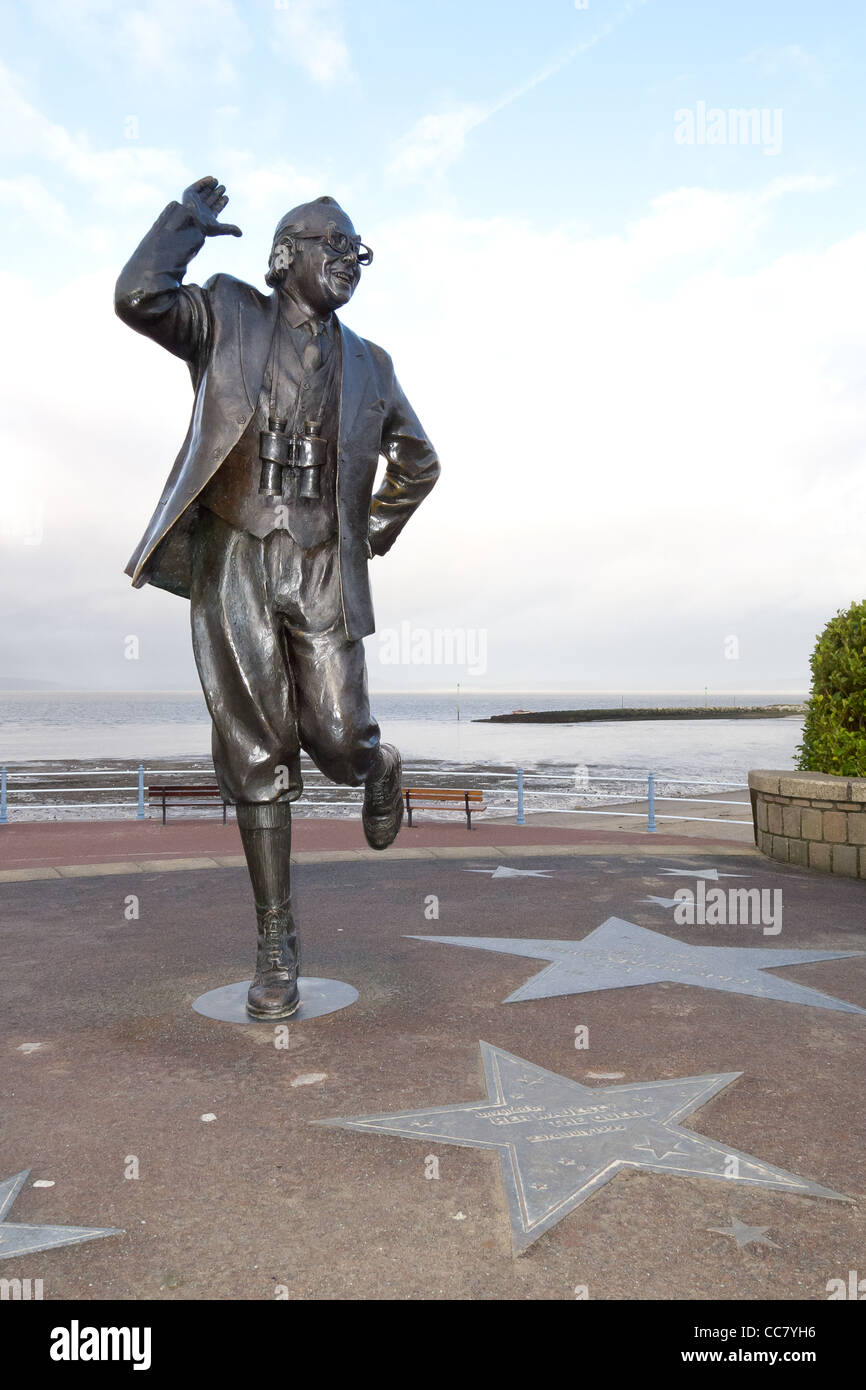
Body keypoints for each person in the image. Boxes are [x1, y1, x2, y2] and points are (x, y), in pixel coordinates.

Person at [116, 175, 440, 1019]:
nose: (351, 263)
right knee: (256, 754)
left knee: (335, 738)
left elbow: (420, 460)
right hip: (236, 555)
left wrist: (373, 529)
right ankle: (276, 941)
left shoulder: (372, 363)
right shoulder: (227, 313)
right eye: (336, 248)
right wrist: (185, 226)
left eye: (358, 253)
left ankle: (379, 765)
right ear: (285, 255)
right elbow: (137, 296)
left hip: (324, 562)